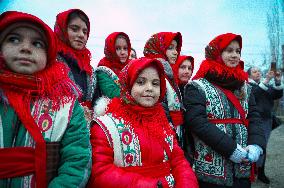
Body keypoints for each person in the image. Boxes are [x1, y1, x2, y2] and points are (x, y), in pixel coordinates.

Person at [0, 11, 91, 187]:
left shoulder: (70, 99)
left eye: (37, 43)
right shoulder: (60, 65)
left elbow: (77, 161)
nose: (26, 48)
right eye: (13, 39)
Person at [88, 57, 198, 188]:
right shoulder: (106, 125)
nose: (149, 88)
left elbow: (178, 161)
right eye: (141, 82)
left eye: (155, 83)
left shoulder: (163, 123)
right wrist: (149, 185)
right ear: (128, 84)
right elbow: (100, 172)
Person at [184, 33, 266, 187]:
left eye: (238, 51)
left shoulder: (245, 87)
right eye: (229, 50)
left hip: (243, 168)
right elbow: (197, 122)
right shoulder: (198, 86)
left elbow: (254, 117)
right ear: (217, 53)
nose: (235, 55)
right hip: (211, 173)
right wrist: (231, 149)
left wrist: (256, 144)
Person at [54, 9, 98, 120]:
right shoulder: (50, 61)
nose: (81, 35)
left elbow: (95, 101)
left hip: (86, 130)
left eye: (85, 32)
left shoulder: (89, 69)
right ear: (62, 29)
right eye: (74, 29)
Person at [144, 32, 184, 143]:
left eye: (176, 48)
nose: (176, 52)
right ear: (158, 48)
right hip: (160, 136)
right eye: (170, 48)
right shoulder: (152, 72)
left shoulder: (168, 73)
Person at [247, 66, 283, 184]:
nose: (258, 73)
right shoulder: (247, 86)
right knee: (251, 145)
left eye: (259, 71)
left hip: (266, 121)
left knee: (262, 146)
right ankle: (250, 171)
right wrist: (266, 80)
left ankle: (260, 172)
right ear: (249, 75)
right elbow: (254, 94)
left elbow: (276, 94)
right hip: (252, 120)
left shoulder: (265, 86)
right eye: (255, 71)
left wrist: (277, 81)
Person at [95, 32, 131, 100]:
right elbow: (111, 93)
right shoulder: (103, 69)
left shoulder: (131, 66)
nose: (122, 52)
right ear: (110, 49)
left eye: (125, 48)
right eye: (118, 48)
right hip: (113, 108)